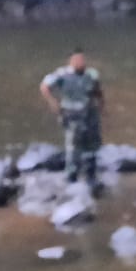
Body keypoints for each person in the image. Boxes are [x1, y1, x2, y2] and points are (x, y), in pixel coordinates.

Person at [39, 48, 105, 186]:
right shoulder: (62, 74)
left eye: (82, 59)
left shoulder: (91, 74)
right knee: (73, 146)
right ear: (70, 61)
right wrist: (53, 102)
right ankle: (71, 176)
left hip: (89, 112)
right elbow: (44, 87)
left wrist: (101, 106)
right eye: (77, 59)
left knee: (92, 145)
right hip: (71, 114)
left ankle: (90, 174)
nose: (80, 62)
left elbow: (97, 90)